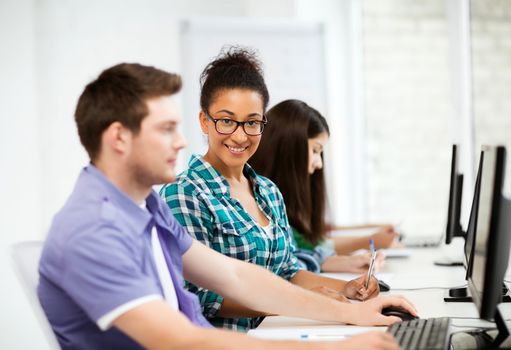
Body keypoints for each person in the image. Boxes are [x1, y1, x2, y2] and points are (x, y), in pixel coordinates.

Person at [37, 62, 411, 350]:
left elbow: (235, 277)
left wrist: (351, 313)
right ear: (119, 137)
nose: (182, 142)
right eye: (166, 129)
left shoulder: (144, 206)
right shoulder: (93, 229)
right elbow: (180, 341)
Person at [161, 47, 394, 331]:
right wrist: (305, 302)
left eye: (252, 122)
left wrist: (345, 288)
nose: (239, 134)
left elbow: (288, 272)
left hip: (279, 330)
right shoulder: (185, 194)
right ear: (204, 121)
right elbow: (202, 298)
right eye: (226, 120)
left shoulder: (269, 192)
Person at [249, 99, 398, 273]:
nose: (319, 163)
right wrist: (368, 241)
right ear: (289, 148)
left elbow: (303, 250)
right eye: (315, 150)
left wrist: (343, 260)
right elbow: (295, 258)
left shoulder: (280, 197)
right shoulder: (258, 197)